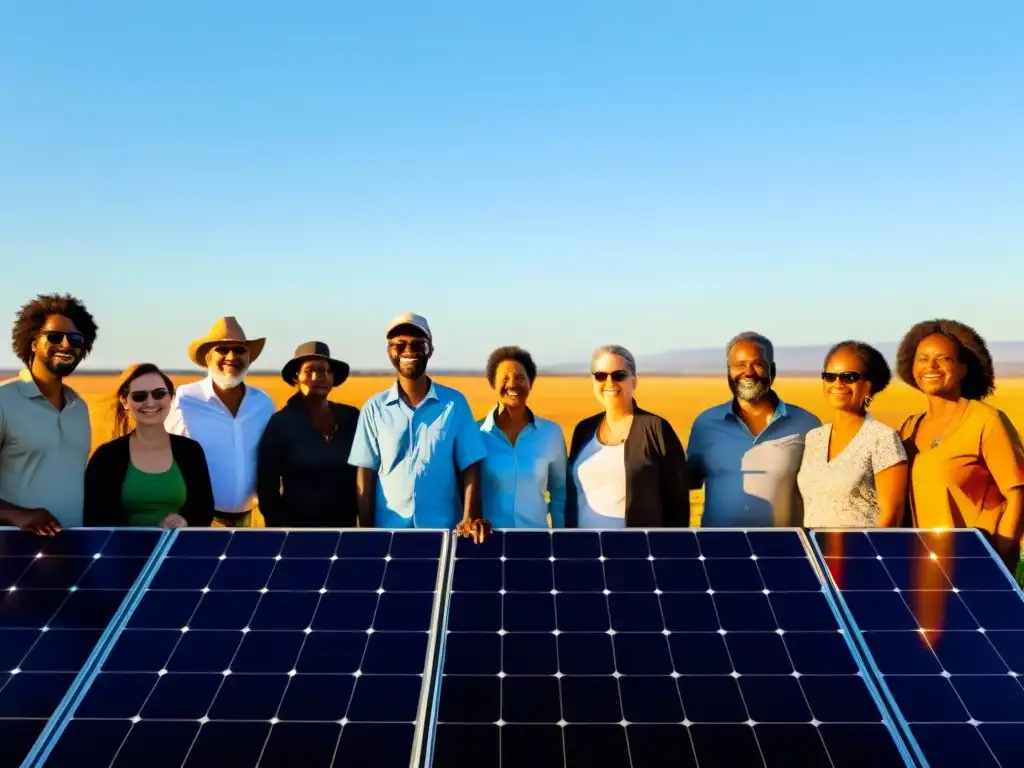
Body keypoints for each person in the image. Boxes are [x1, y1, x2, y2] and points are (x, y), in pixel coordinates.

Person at [347, 312, 491, 542]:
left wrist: (469, 517)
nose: (408, 351)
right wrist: (367, 533)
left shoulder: (454, 404)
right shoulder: (374, 408)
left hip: (444, 530)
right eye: (399, 344)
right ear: (389, 352)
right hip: (389, 531)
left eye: (417, 344)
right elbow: (366, 472)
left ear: (430, 349)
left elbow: (470, 466)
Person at [896, 319, 1024, 565]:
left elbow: (1017, 494)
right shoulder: (909, 427)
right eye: (922, 359)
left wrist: (1000, 562)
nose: (931, 366)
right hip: (925, 564)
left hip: (974, 563)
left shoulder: (986, 420)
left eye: (944, 358)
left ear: (964, 369)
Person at [687, 331, 821, 528]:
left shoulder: (806, 424)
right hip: (718, 550)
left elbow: (822, 491)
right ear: (728, 371)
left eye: (757, 364)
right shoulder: (706, 424)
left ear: (772, 371)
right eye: (740, 365)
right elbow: (688, 481)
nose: (748, 372)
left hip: (785, 551)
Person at [0, 293, 98, 534]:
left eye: (76, 339)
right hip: (13, 553)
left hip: (72, 552)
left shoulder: (79, 407)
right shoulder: (4, 400)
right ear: (33, 342)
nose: (66, 345)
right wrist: (18, 515)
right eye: (54, 336)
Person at [164, 316, 275, 528]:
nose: (231, 357)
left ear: (249, 358)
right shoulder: (183, 399)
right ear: (207, 358)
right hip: (197, 519)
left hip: (250, 520)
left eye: (239, 350)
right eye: (222, 350)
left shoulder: (263, 403)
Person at [564, 345, 689, 528]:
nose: (609, 382)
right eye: (600, 376)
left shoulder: (655, 429)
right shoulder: (584, 429)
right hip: (586, 550)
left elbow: (677, 503)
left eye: (618, 376)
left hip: (636, 552)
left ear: (634, 382)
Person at [84, 364, 215, 528]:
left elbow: (204, 509)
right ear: (125, 402)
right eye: (139, 396)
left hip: (178, 549)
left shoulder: (191, 451)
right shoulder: (106, 456)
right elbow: (94, 517)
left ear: (171, 398)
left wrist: (185, 520)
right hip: (122, 551)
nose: (150, 402)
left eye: (159, 394)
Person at [796, 341, 908, 528]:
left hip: (862, 553)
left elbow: (892, 516)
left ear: (869, 385)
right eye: (830, 376)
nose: (837, 384)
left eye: (849, 377)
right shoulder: (815, 437)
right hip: (818, 552)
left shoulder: (882, 438)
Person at [257, 342, 360, 527]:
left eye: (325, 371)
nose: (318, 377)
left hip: (345, 531)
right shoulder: (281, 423)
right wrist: (282, 531)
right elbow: (267, 487)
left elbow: (366, 473)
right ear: (296, 377)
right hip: (297, 531)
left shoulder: (351, 417)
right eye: (309, 370)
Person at [478, 346, 567, 528]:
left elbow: (560, 492)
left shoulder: (551, 432)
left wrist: (561, 537)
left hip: (535, 544)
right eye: (505, 378)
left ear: (530, 383)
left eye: (520, 377)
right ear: (493, 384)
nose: (512, 385)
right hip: (489, 544)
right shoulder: (475, 434)